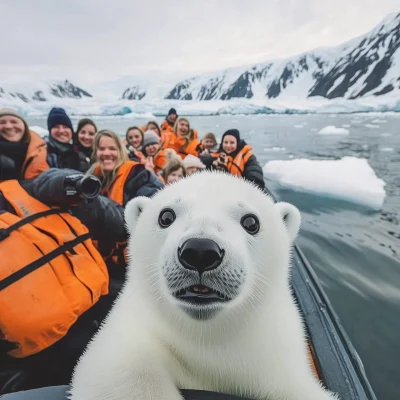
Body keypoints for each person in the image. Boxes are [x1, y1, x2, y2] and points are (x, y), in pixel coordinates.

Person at [0, 169, 114, 394]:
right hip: (40, 350)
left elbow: (48, 181)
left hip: (92, 306)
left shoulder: (22, 189)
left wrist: (69, 184)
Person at [200, 129, 265, 190]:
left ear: (237, 143)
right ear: (222, 144)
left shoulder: (248, 157)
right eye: (225, 142)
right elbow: (201, 162)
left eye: (232, 143)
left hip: (240, 192)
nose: (228, 145)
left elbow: (255, 174)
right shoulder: (216, 156)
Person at [0, 108, 49, 181]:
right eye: (2, 122)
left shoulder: (43, 151)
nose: (8, 126)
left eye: (14, 122)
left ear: (24, 126)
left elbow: (51, 176)